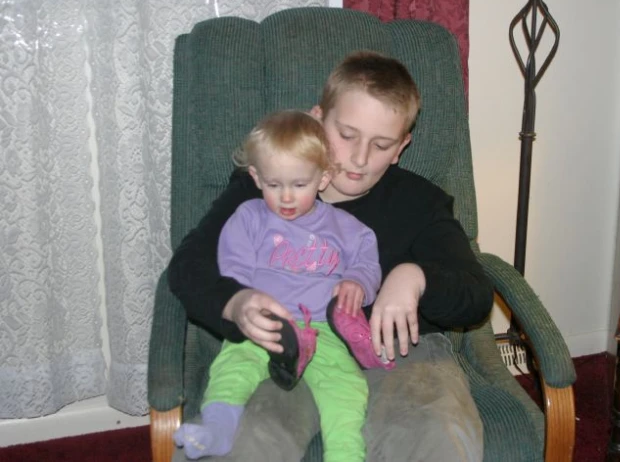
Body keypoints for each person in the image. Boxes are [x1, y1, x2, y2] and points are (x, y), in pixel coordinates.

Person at [169, 51, 495, 461]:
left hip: (401, 357)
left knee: (437, 438)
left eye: (381, 144)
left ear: (401, 147)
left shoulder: (421, 203)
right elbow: (187, 266)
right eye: (346, 134)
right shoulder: (269, 186)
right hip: (285, 350)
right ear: (317, 119)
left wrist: (415, 276)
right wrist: (234, 302)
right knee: (247, 441)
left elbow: (476, 297)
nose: (359, 159)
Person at [173, 110, 389, 461]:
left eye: (299, 185)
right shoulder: (249, 217)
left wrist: (357, 282)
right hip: (268, 324)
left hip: (325, 332)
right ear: (257, 177)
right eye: (274, 185)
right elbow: (234, 269)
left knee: (347, 390)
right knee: (233, 367)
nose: (286, 197)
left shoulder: (346, 228)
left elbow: (368, 263)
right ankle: (218, 430)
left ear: (323, 178)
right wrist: (246, 302)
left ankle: (346, 454)